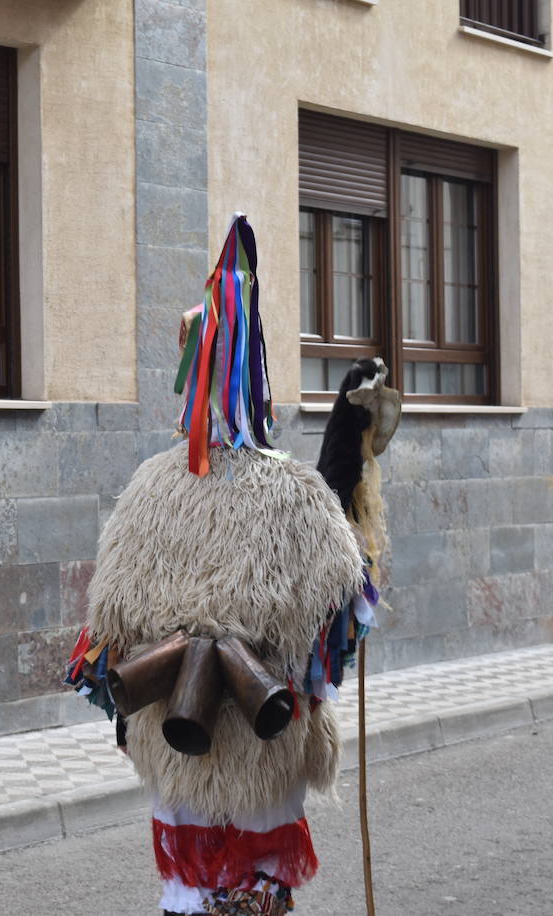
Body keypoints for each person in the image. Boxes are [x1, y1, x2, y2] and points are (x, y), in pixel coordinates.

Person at [70, 216, 370, 915]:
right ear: (255, 371)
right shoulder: (297, 493)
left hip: (177, 740)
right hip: (266, 745)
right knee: (260, 886)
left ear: (192, 372)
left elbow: (105, 631)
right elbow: (345, 615)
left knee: (189, 890)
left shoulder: (148, 488)